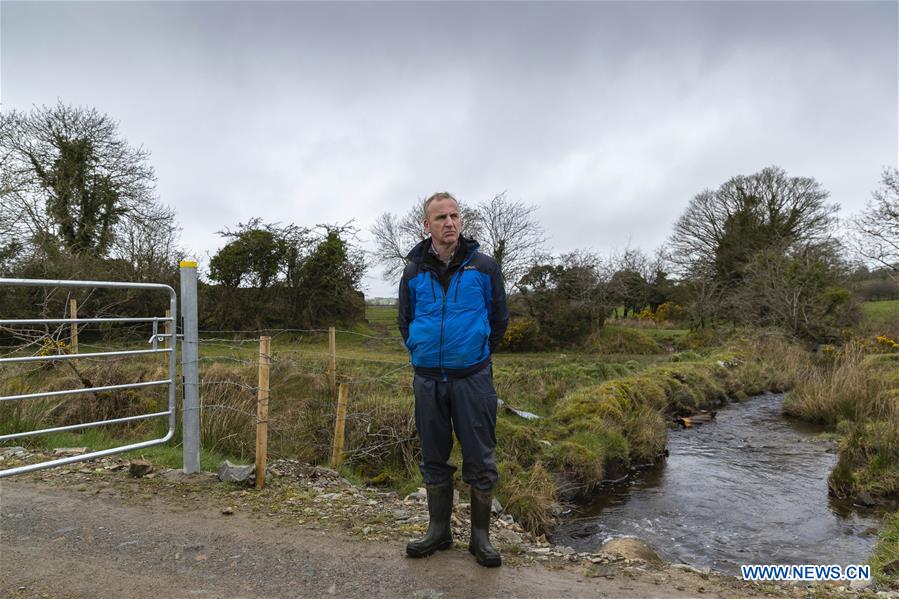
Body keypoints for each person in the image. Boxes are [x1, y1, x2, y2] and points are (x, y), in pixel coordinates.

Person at [397, 191, 509, 568]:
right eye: (441, 217)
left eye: (455, 215)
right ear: (426, 225)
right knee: (433, 455)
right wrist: (418, 348)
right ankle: (438, 531)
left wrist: (476, 352)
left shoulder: (485, 267)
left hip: (472, 379)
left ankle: (480, 538)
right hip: (428, 380)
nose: (450, 222)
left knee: (479, 455)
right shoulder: (413, 271)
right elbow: (405, 320)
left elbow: (499, 321)